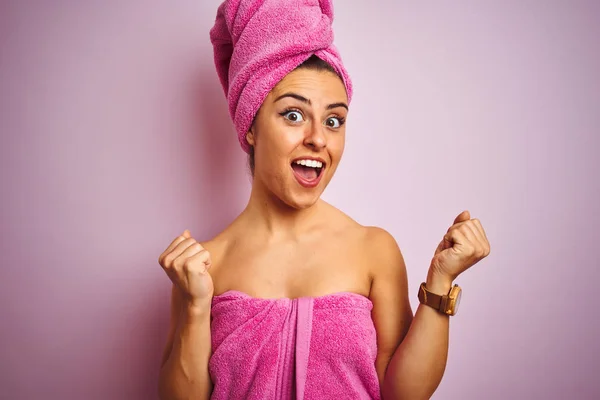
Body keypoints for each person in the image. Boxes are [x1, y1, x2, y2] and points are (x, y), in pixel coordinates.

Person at [157, 1, 490, 399]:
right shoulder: (205, 266)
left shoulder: (373, 250)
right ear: (250, 127)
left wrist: (440, 282)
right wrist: (196, 307)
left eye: (334, 120)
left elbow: (403, 394)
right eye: (293, 115)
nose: (318, 138)